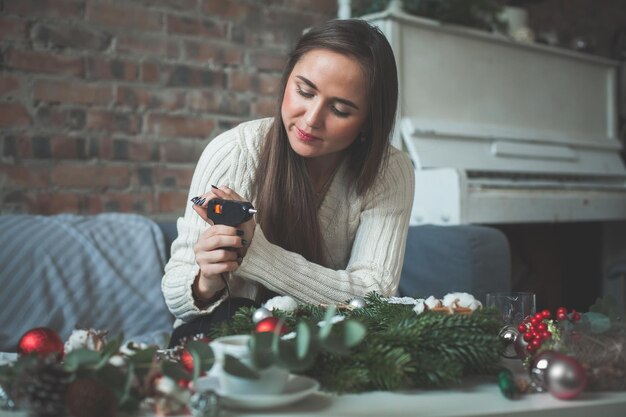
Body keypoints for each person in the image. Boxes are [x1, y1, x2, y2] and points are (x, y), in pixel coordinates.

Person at [161, 18, 414, 346]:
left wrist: (254, 255)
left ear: (368, 122)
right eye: (304, 91)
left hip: (325, 342)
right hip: (220, 340)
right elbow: (175, 293)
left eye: (339, 110)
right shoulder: (234, 151)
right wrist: (205, 281)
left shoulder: (389, 171)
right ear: (287, 81)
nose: (311, 119)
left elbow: (374, 296)